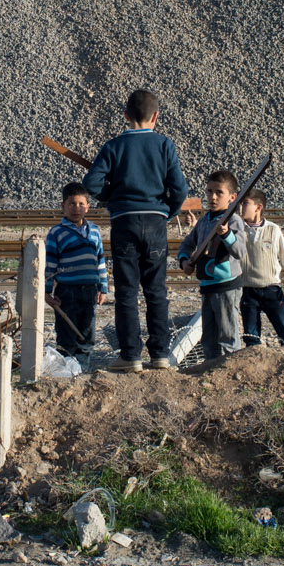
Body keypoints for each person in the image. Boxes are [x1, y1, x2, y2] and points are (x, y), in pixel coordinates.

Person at [81, 89, 190, 371]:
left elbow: (91, 184)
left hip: (124, 221)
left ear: (126, 115)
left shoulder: (113, 146)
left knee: (127, 291)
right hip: (155, 221)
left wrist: (111, 197)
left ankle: (130, 356)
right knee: (156, 290)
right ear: (156, 116)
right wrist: (169, 211)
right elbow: (179, 189)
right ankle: (160, 355)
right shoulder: (165, 145)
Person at [177, 169, 248, 363]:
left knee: (227, 335)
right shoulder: (203, 222)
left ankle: (229, 369)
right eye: (209, 191)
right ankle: (211, 369)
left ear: (232, 197)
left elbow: (240, 251)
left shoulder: (233, 220)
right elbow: (186, 244)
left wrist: (226, 235)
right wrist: (184, 261)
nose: (213, 197)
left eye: (219, 192)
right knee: (209, 338)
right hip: (207, 286)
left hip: (227, 285)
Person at [44, 182, 107, 361]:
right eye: (71, 204)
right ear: (63, 206)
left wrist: (103, 287)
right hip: (67, 291)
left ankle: (83, 363)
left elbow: (100, 260)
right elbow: (50, 264)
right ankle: (67, 363)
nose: (76, 208)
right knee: (66, 329)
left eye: (81, 204)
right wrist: (47, 291)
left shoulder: (94, 231)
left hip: (90, 289)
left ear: (88, 206)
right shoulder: (56, 233)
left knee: (87, 328)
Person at [237, 188, 284, 346]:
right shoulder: (238, 230)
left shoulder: (273, 229)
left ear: (258, 207)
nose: (241, 208)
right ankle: (253, 361)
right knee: (251, 333)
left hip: (271, 288)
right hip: (248, 289)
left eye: (245, 204)